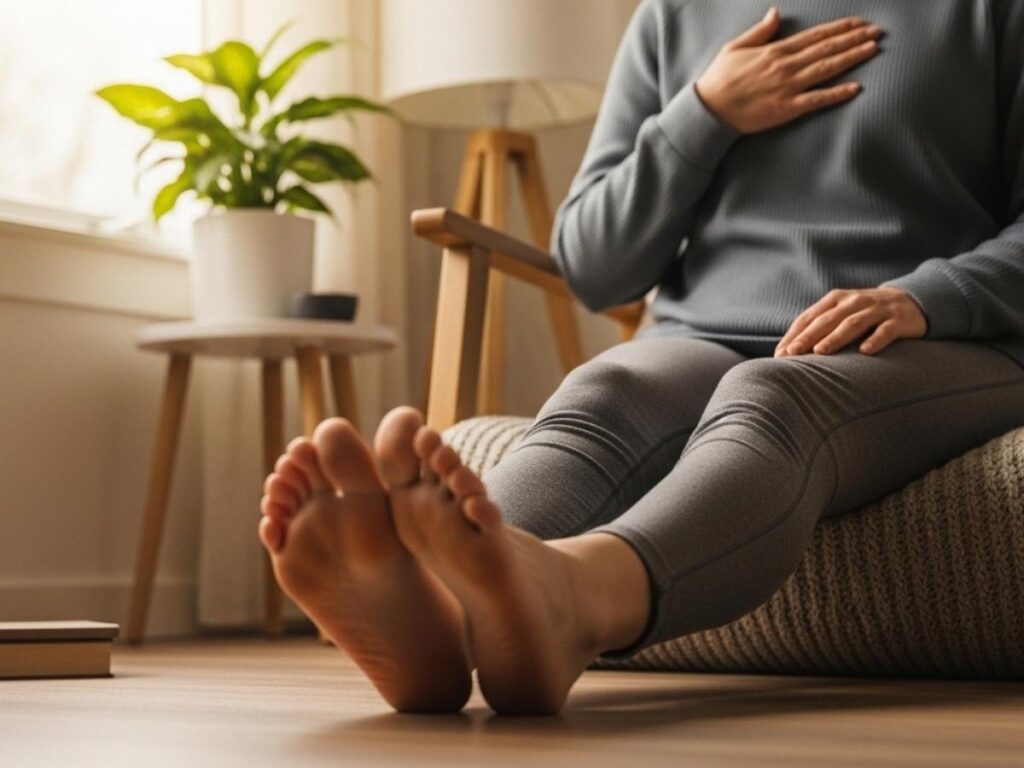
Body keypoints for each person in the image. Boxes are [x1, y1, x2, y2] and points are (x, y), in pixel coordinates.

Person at [257, 1, 1024, 715]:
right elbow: (594, 264)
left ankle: (577, 601)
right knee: (608, 387)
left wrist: (929, 295)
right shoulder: (674, 13)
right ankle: (441, 615)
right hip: (700, 338)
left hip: (939, 340)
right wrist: (705, 114)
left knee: (773, 397)